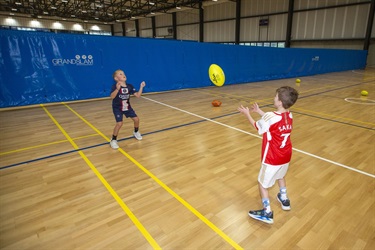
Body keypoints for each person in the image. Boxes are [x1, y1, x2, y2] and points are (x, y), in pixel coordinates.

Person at [237, 86, 299, 224]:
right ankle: (284, 199)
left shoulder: (271, 117)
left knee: (262, 184)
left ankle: (267, 212)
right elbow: (271, 121)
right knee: (281, 175)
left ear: (280, 102)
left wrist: (248, 114)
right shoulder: (289, 114)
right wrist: (259, 111)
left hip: (272, 157)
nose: (274, 98)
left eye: (276, 96)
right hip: (286, 155)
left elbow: (258, 126)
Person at [110, 69, 146, 149]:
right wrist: (117, 89)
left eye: (123, 73)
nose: (123, 75)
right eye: (120, 74)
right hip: (117, 108)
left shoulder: (130, 86)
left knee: (136, 119)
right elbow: (112, 97)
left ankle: (136, 132)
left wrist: (141, 87)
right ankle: (113, 139)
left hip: (127, 107)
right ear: (116, 78)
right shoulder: (115, 86)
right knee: (119, 123)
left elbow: (138, 95)